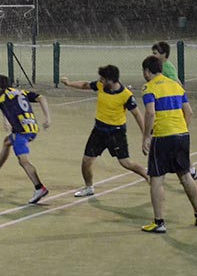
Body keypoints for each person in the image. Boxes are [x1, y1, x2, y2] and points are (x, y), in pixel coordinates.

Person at [140, 55, 197, 233]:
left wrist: (146, 136)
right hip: (182, 135)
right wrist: (180, 131)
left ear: (147, 71)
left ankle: (159, 222)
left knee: (156, 179)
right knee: (185, 176)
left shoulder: (148, 88)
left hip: (163, 137)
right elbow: (189, 113)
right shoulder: (176, 85)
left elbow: (150, 113)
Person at [61, 65, 149, 198]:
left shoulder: (126, 95)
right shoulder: (101, 85)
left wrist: (145, 135)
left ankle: (148, 176)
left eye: (103, 78)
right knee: (86, 161)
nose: (100, 81)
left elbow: (137, 115)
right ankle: (89, 187)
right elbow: (85, 85)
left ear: (111, 80)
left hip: (116, 133)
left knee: (126, 163)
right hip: (99, 130)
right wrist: (68, 83)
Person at [0, 75, 51, 204]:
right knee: (7, 142)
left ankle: (39, 187)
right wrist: (47, 118)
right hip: (32, 128)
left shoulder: (1, 96)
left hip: (21, 132)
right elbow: (41, 97)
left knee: (23, 161)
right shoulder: (19, 91)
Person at [151, 41, 197, 180]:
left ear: (164, 55)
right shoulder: (162, 67)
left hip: (174, 110)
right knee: (177, 146)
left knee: (176, 143)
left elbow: (176, 84)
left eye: (155, 53)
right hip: (171, 110)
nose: (153, 56)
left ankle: (188, 169)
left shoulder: (167, 68)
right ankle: (191, 169)